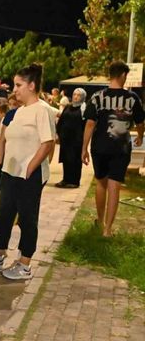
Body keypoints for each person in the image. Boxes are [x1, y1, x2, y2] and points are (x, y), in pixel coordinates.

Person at [0, 63, 55, 280]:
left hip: (30, 175)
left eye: (18, 85)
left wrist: (31, 166)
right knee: (4, 214)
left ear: (31, 85)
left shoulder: (42, 110)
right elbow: (5, 139)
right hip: (10, 173)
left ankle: (24, 263)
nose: (15, 89)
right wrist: (0, 163)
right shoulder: (17, 112)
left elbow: (48, 142)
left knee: (27, 219)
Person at [82, 61, 144, 237]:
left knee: (101, 183)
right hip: (121, 148)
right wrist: (140, 135)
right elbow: (140, 122)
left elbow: (89, 124)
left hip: (99, 147)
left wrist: (84, 149)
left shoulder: (97, 97)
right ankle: (108, 230)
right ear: (123, 75)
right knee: (114, 186)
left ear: (110, 74)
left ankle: (100, 221)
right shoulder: (132, 99)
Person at [55, 87, 87, 188]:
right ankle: (66, 179)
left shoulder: (83, 109)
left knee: (75, 160)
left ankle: (74, 181)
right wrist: (58, 133)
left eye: (78, 95)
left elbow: (85, 125)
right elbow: (61, 121)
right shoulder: (68, 107)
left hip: (77, 140)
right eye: (74, 95)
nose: (76, 97)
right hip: (66, 139)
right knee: (66, 159)